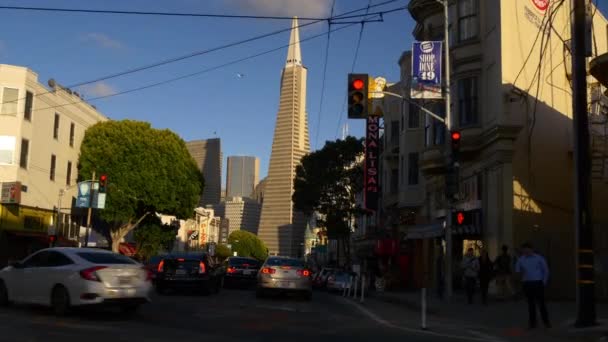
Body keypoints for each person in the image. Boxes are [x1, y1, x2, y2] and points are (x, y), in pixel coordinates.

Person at [515, 242, 551, 329]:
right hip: (527, 283)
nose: (526, 252)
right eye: (524, 250)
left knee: (541, 304)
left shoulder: (539, 258)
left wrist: (543, 282)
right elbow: (517, 270)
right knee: (531, 305)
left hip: (538, 283)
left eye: (527, 250)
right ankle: (532, 323)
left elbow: (546, 271)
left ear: (532, 249)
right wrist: (520, 271)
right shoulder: (521, 259)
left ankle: (546, 322)